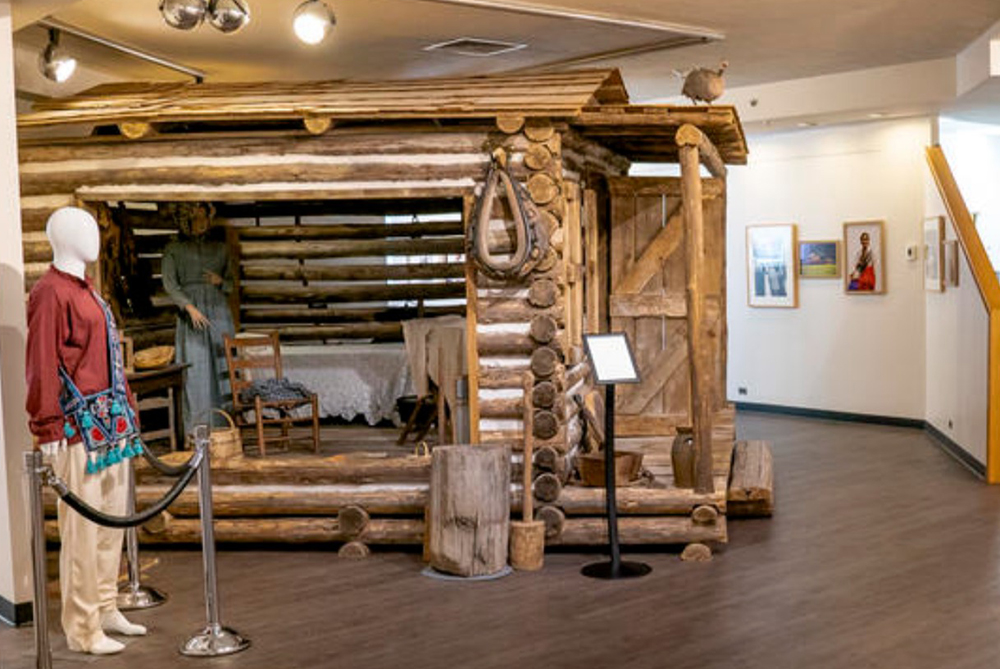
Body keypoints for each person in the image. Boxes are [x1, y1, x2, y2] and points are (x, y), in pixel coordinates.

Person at [26, 206, 147, 655]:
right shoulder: (49, 293)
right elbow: (39, 363)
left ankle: (105, 604)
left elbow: (109, 357)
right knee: (81, 528)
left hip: (111, 424)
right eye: (86, 229)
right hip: (76, 429)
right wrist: (47, 424)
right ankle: (82, 627)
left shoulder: (88, 290)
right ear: (62, 237)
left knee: (110, 522)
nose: (95, 237)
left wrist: (129, 409)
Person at [160, 202, 235, 435]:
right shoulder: (174, 249)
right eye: (196, 218)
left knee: (222, 367)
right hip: (192, 317)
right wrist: (188, 307)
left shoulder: (221, 248)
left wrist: (220, 282)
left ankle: (225, 429)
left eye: (204, 218)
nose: (201, 223)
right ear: (186, 222)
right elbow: (169, 284)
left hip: (219, 312)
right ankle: (198, 431)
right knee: (196, 371)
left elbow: (232, 284)